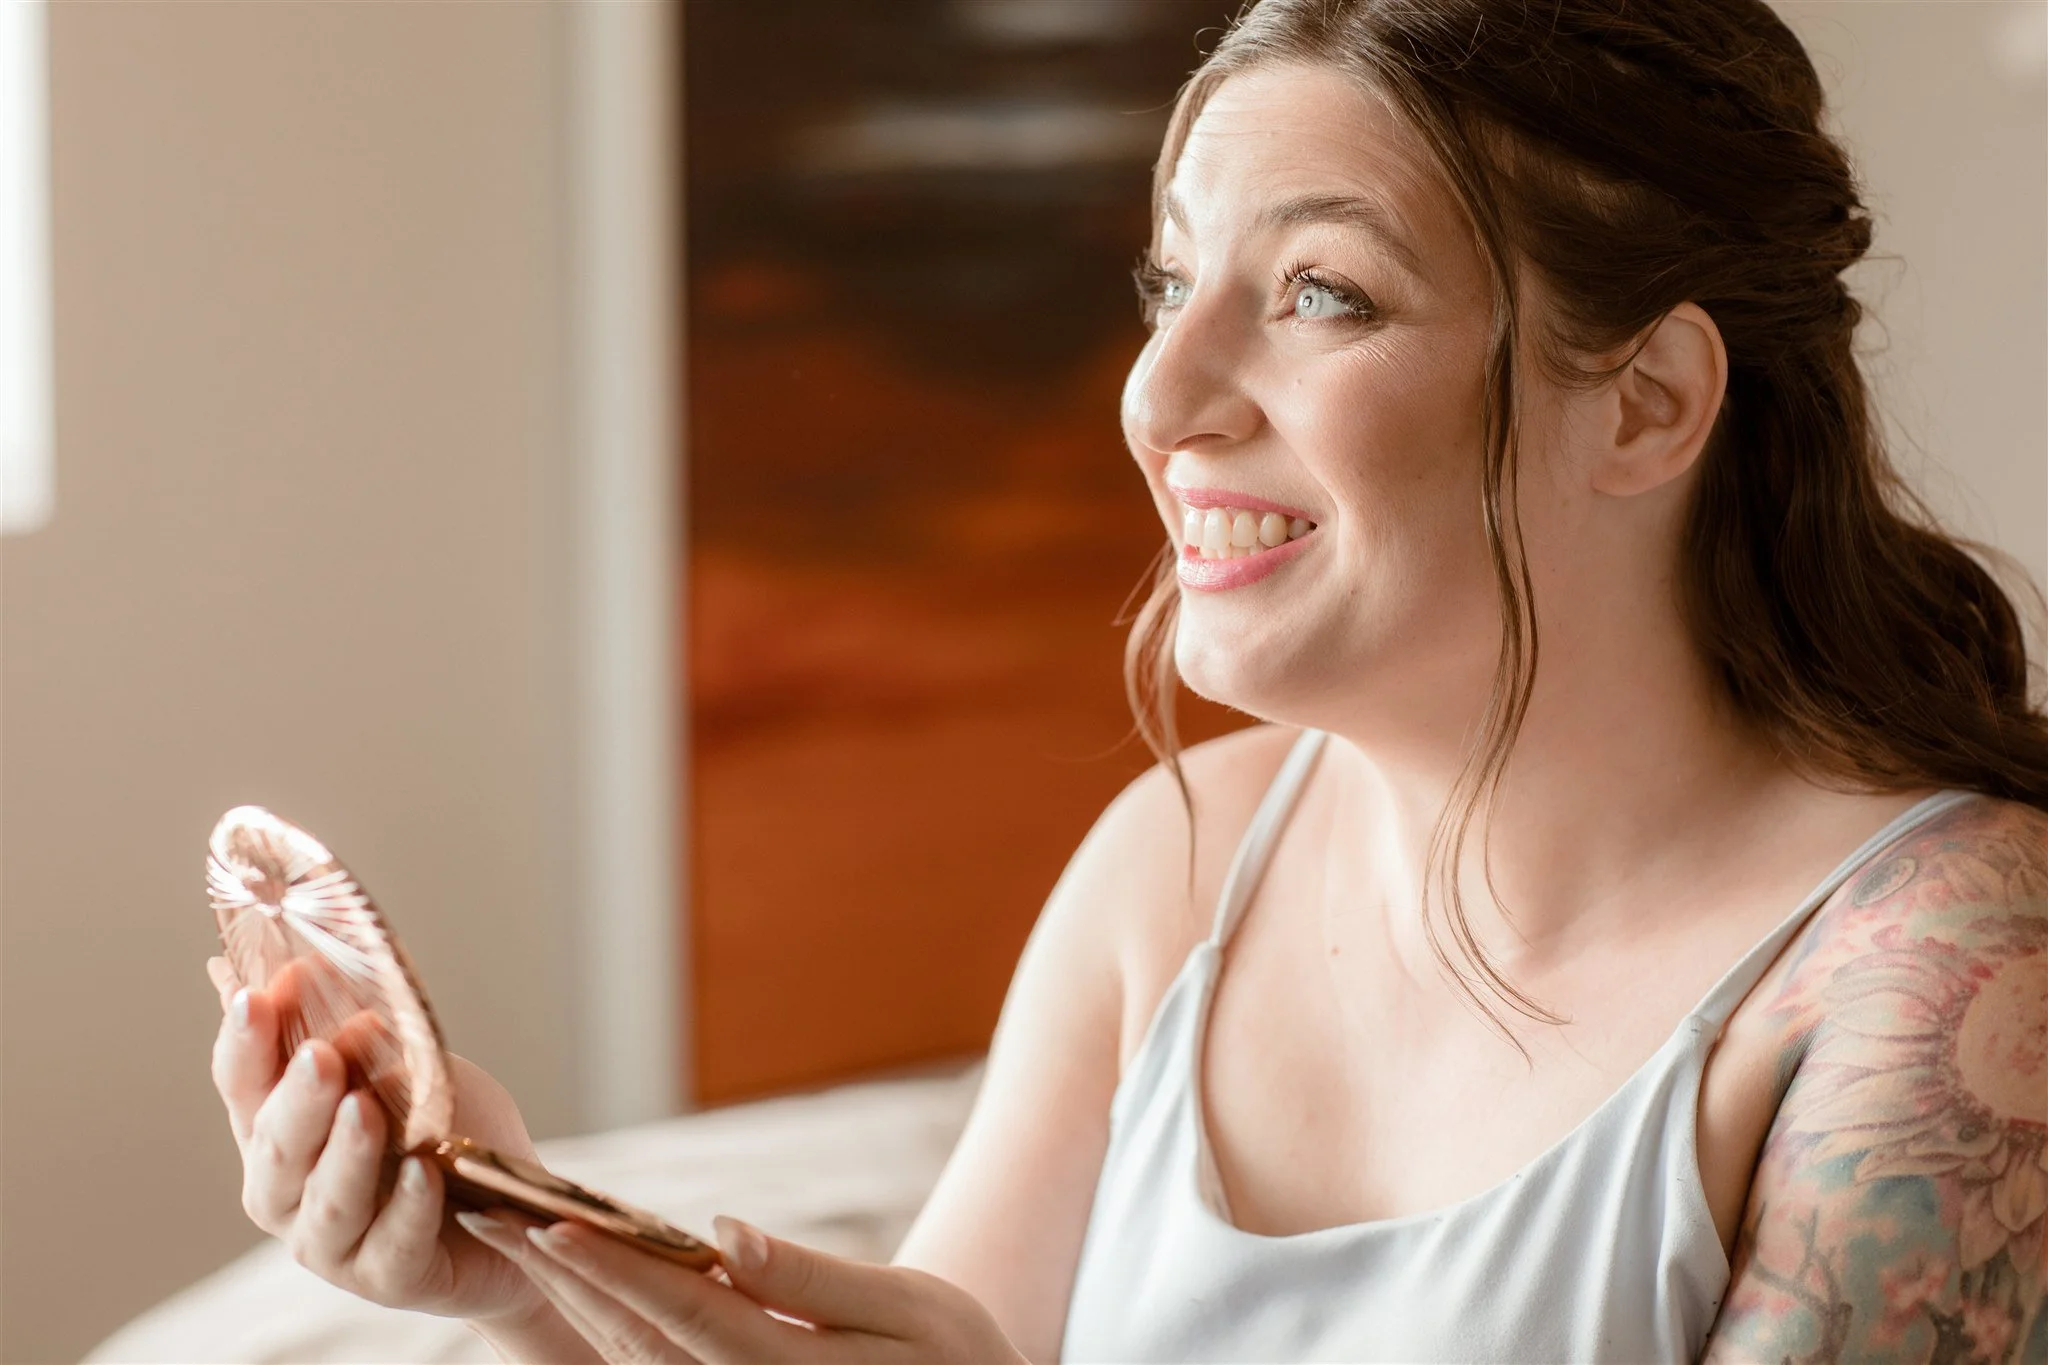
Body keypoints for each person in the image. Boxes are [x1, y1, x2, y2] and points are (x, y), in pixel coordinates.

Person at [207, 0, 2048, 1360]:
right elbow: (950, 1343)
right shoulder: (1179, 862)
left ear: (1645, 400)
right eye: (1173, 285)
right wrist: (525, 1269)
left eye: (1324, 293)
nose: (1161, 400)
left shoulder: (1943, 972)